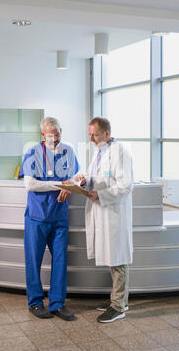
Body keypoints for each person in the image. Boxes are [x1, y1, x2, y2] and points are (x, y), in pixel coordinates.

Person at [20, 117, 80, 320]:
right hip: (37, 216)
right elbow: (30, 184)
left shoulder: (69, 151)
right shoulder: (32, 152)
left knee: (61, 261)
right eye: (49, 135)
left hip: (60, 216)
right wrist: (59, 185)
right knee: (33, 260)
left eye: (57, 134)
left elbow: (76, 176)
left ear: (61, 131)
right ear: (42, 135)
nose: (54, 138)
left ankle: (57, 304)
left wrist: (70, 184)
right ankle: (35, 302)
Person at [76, 117, 134, 323]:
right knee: (112, 258)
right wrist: (86, 180)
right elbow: (101, 177)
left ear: (107, 134)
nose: (91, 138)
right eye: (90, 134)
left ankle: (119, 307)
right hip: (103, 212)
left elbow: (126, 185)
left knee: (118, 260)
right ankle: (118, 300)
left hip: (114, 214)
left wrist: (101, 195)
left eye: (95, 134)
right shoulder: (100, 152)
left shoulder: (120, 153)